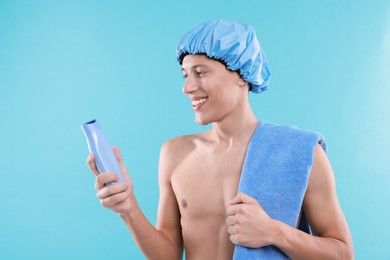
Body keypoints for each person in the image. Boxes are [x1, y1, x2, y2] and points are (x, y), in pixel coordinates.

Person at [87, 19, 353, 259]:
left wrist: (274, 232)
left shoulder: (300, 152)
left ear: (241, 75)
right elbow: (167, 255)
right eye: (185, 74)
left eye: (200, 73)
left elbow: (342, 253)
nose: (187, 87)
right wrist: (128, 208)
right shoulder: (175, 154)